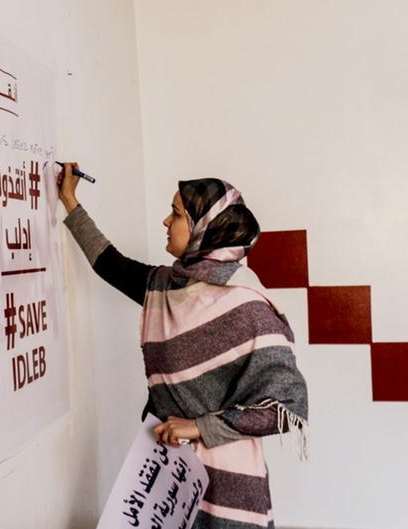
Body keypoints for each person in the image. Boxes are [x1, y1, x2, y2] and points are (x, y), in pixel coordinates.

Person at [57, 163, 309, 529]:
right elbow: (109, 264)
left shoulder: (246, 306)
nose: (165, 221)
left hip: (226, 484)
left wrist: (198, 427)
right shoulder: (166, 287)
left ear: (205, 229)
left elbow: (286, 407)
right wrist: (69, 201)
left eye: (176, 213)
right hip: (168, 473)